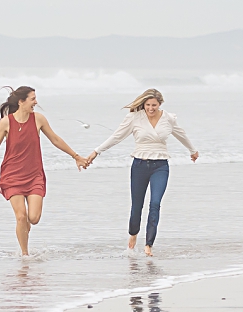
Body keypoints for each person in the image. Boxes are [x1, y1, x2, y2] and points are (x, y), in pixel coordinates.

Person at [0, 86, 86, 256]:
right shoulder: (6, 122)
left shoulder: (38, 119)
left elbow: (56, 139)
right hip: (12, 175)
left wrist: (76, 156)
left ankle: (24, 233)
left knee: (34, 218)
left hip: (34, 175)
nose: (36, 102)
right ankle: (25, 255)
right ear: (21, 102)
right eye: (32, 99)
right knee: (21, 216)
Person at [81, 88, 198, 256]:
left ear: (160, 104)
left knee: (155, 204)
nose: (151, 109)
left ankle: (149, 244)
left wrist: (192, 150)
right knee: (137, 206)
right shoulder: (134, 118)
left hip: (161, 166)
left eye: (154, 106)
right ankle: (133, 236)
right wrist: (96, 152)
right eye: (148, 105)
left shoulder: (168, 119)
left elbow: (181, 135)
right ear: (143, 104)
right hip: (139, 166)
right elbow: (116, 137)